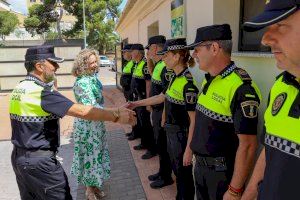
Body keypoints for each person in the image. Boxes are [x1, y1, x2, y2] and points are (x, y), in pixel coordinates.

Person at [9, 45, 136, 200]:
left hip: (20, 159)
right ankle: (90, 188)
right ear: (39, 66)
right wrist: (116, 115)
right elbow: (83, 111)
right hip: (40, 162)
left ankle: (93, 187)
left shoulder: (20, 87)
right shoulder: (41, 92)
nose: (57, 67)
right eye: (53, 63)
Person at [186, 24, 261, 200]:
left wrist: (235, 191)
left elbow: (249, 146)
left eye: (197, 50)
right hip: (201, 169)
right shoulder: (209, 80)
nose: (194, 55)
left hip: (221, 176)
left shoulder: (241, 87)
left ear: (214, 48)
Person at [241, 1, 300, 199]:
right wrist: (249, 193)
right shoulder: (280, 86)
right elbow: (270, 146)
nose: (265, 40)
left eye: (281, 25)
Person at [128, 38, 197, 199]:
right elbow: (161, 97)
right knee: (176, 170)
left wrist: (189, 149)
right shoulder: (175, 77)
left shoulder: (188, 84)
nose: (163, 58)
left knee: (183, 174)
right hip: (172, 132)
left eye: (166, 55)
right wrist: (136, 103)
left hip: (181, 135)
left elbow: (194, 120)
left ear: (177, 56)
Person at [70, 49, 110, 200]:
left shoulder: (92, 78)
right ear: (82, 64)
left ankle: (95, 186)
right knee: (89, 157)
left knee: (97, 155)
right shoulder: (82, 82)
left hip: (97, 124)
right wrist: (115, 114)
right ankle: (89, 191)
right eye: (90, 62)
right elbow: (91, 107)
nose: (94, 65)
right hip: (87, 126)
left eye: (95, 61)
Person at [144, 35, 174, 188]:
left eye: (148, 48)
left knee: (163, 145)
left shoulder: (165, 67)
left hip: (162, 113)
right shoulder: (158, 65)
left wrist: (162, 116)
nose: (147, 51)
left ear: (155, 47)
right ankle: (162, 172)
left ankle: (166, 176)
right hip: (156, 112)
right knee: (160, 144)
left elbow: (166, 96)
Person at [130, 43, 157, 159]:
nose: (131, 53)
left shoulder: (145, 64)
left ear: (138, 52)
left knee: (147, 125)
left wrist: (147, 102)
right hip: (139, 99)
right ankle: (144, 143)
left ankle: (151, 149)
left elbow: (148, 84)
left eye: (132, 51)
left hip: (144, 100)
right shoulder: (138, 63)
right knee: (142, 123)